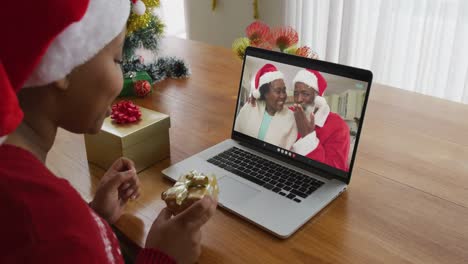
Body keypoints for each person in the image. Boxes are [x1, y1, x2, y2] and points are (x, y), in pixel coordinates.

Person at [0, 1, 216, 264]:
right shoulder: (55, 228)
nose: (122, 75)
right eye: (117, 59)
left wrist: (94, 217)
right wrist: (163, 257)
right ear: (64, 64)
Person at [290, 69, 350, 171]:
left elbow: (333, 172)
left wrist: (307, 137)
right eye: (296, 93)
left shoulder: (339, 127)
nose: (299, 99)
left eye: (305, 94)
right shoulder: (289, 113)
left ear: (318, 98)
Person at [234, 64, 298, 149]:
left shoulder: (291, 118)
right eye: (278, 91)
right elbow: (236, 137)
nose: (283, 96)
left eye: (284, 90)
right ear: (265, 93)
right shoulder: (251, 106)